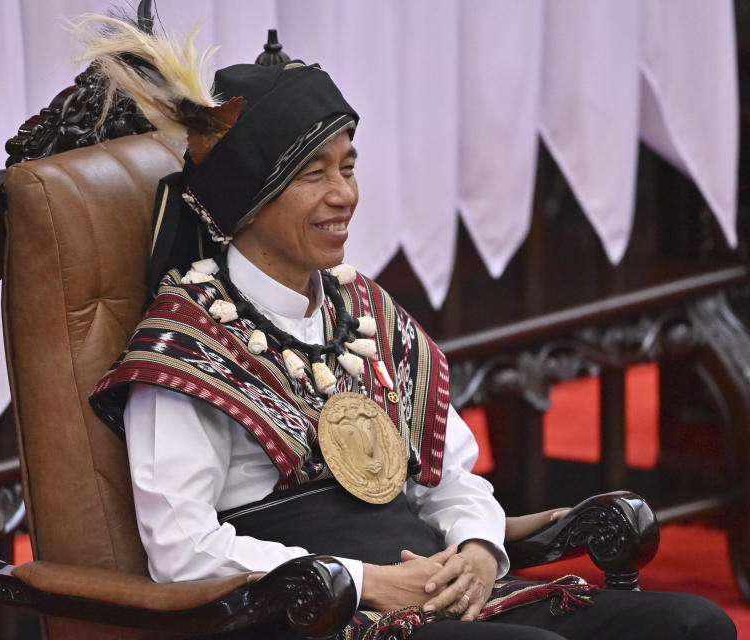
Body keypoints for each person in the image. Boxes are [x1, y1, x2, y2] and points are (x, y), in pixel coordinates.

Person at [81, 15, 736, 640]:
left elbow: (450, 481)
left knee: (689, 627)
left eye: (349, 166)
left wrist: (479, 549)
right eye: (315, 174)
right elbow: (182, 552)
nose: (345, 194)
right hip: (311, 618)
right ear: (248, 198)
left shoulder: (367, 310)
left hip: (437, 597)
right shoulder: (185, 347)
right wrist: (368, 583)